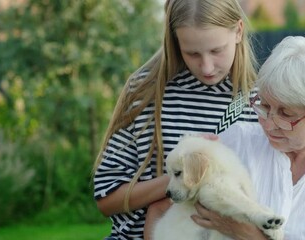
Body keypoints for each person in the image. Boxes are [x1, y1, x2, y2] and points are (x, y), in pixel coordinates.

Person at [148, 36, 305, 239]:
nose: (268, 122)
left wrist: (247, 234)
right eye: (264, 105)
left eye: (286, 114)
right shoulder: (235, 141)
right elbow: (162, 210)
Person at [92, 0, 259, 239]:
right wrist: (182, 175)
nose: (207, 67)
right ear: (175, 41)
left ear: (239, 31)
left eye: (216, 50)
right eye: (192, 53)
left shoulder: (262, 104)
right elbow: (107, 199)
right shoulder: (146, 93)